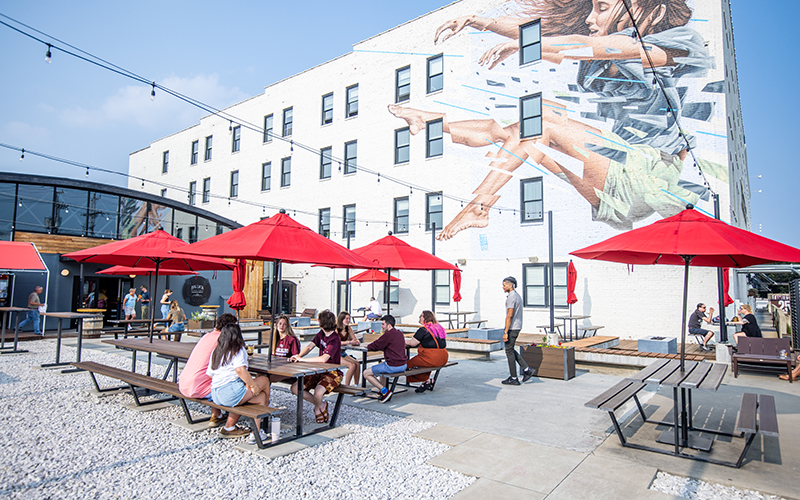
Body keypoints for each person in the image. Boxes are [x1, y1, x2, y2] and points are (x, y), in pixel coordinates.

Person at [390, 0, 710, 240]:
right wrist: (477, 20)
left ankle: (480, 206)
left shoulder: (681, 42)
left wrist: (530, 45)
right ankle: (434, 122)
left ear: (652, 12)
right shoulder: (602, 48)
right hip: (622, 177)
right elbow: (548, 35)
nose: (590, 17)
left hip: (648, 175)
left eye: (601, 7)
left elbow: (598, 46)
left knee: (540, 121)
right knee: (521, 128)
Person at [178, 313, 248, 437]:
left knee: (215, 378)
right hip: (197, 387)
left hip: (184, 383)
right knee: (241, 390)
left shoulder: (207, 336)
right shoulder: (221, 340)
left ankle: (217, 415)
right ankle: (230, 425)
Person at [207, 323, 272, 445]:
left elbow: (210, 374)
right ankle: (267, 408)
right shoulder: (238, 349)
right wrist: (253, 385)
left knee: (260, 397)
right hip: (229, 394)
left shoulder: (216, 351)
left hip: (215, 394)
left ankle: (256, 432)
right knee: (264, 380)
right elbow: (240, 370)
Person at [289, 310, 343, 423]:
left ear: (320, 322)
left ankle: (317, 409)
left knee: (318, 391)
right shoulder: (321, 334)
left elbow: (324, 359)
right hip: (318, 371)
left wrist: (302, 360)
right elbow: (310, 346)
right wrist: (298, 356)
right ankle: (321, 404)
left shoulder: (335, 338)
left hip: (333, 372)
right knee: (295, 388)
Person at [363, 314, 407, 403]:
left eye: (383, 324)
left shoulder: (388, 334)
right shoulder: (400, 333)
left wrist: (368, 346)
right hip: (403, 365)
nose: (382, 327)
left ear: (389, 325)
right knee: (382, 365)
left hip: (393, 365)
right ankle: (382, 391)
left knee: (366, 373)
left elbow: (376, 345)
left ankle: (385, 392)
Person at [405, 310, 448, 393]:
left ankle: (427, 380)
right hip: (443, 357)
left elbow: (413, 343)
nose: (419, 317)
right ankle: (426, 382)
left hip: (431, 357)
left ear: (426, 318)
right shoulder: (439, 328)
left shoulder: (423, 330)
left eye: (421, 316)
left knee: (407, 366)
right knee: (423, 365)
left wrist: (403, 340)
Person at [502, 277, 534, 385]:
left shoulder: (511, 297)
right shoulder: (517, 296)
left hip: (512, 327)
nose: (503, 287)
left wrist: (506, 332)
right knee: (510, 349)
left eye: (504, 285)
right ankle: (526, 370)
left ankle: (514, 378)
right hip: (517, 326)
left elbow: (509, 316)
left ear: (510, 285)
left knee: (509, 351)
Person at [336, 311, 362, 386]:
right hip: (336, 354)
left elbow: (354, 339)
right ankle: (347, 386)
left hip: (343, 353)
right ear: (341, 319)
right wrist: (349, 342)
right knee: (352, 365)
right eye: (346, 318)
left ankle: (356, 385)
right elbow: (336, 343)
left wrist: (356, 342)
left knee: (357, 364)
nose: (348, 320)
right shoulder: (336, 329)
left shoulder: (348, 328)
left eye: (349, 318)